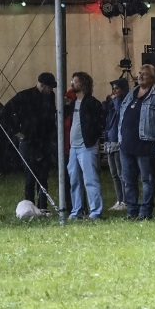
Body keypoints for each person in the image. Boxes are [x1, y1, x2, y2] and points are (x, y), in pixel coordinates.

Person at [118, 64, 155, 219]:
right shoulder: (131, 93)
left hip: (146, 144)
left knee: (147, 179)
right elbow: (122, 116)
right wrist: (120, 139)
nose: (140, 76)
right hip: (127, 145)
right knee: (128, 180)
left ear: (153, 78)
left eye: (145, 74)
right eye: (139, 73)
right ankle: (132, 210)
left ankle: (145, 211)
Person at [4, 72, 58, 214]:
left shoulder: (50, 97)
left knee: (43, 175)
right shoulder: (24, 96)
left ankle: (43, 206)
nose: (51, 90)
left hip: (44, 140)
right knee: (30, 175)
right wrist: (16, 131)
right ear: (42, 85)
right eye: (49, 87)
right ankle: (29, 206)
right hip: (28, 141)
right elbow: (5, 112)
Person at [65, 72, 104, 220]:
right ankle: (77, 210)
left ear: (83, 84)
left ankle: (95, 211)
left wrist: (93, 137)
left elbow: (100, 122)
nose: (72, 83)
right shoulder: (73, 103)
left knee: (90, 179)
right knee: (74, 180)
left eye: (75, 81)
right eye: (72, 80)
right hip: (74, 147)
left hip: (86, 146)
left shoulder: (92, 103)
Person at [103, 78, 129, 212]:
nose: (114, 92)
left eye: (117, 89)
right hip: (108, 139)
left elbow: (121, 113)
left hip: (118, 140)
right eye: (113, 89)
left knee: (121, 173)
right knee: (113, 173)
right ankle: (119, 199)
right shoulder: (110, 103)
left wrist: (116, 100)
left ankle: (125, 200)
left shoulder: (123, 102)